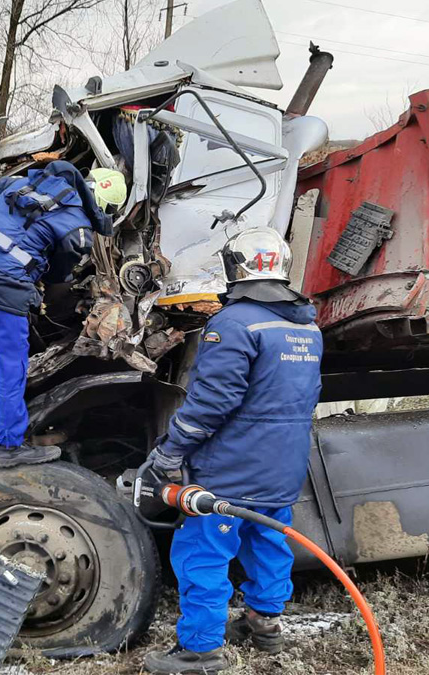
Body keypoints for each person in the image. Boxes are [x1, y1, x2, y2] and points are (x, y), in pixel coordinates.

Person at [142, 227, 323, 675]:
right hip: (283, 463)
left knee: (203, 550)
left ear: (235, 268)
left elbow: (211, 401)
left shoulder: (234, 323)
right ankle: (264, 625)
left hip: (233, 465)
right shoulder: (306, 327)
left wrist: (171, 450)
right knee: (268, 538)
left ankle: (200, 651)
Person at [0, 161, 126, 468]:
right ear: (106, 208)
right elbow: (58, 277)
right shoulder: (79, 231)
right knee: (12, 361)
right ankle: (9, 448)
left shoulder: (28, 184)